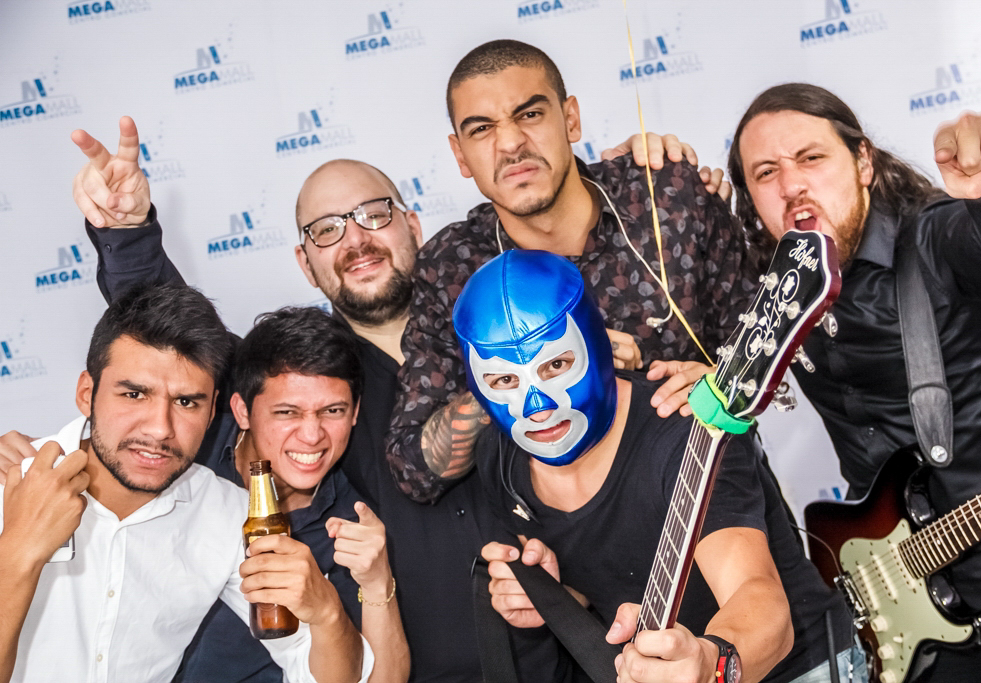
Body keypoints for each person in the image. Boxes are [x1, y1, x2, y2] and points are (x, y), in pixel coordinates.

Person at [0, 113, 727, 681]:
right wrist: (127, 231)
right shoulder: (302, 383)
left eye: (375, 214)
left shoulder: (516, 328)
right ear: (305, 263)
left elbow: (640, 307)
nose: (355, 238)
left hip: (578, 659)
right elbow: (174, 357)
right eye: (326, 229)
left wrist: (629, 184)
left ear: (414, 225)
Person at [453, 250, 863, 683]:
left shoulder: (685, 430)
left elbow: (758, 600)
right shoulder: (500, 458)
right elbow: (598, 579)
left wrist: (709, 663)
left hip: (798, 669)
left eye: (556, 365)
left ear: (597, 344)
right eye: (504, 381)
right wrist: (549, 594)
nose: (537, 406)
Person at [728, 83, 981, 681]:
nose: (791, 185)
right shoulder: (780, 293)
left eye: (811, 157)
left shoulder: (938, 239)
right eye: (766, 172)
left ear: (863, 162)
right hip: (903, 619)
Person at [384, 39, 754, 506]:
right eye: (481, 129)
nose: (511, 143)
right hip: (574, 542)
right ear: (460, 155)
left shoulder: (667, 197)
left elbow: (767, 355)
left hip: (718, 497)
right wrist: (513, 378)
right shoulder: (452, 267)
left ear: (571, 119)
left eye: (530, 114)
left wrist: (718, 385)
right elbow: (413, 470)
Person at [0, 284, 370, 683]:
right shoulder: (10, 481)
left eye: (186, 402)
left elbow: (318, 670)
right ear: (87, 394)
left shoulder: (229, 514)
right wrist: (18, 553)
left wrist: (328, 612)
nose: (160, 428)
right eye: (135, 394)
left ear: (211, 413)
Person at [172, 306, 407, 683]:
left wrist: (377, 580)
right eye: (287, 412)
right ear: (242, 411)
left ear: (354, 412)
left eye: (332, 410)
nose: (312, 435)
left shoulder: (353, 523)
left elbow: (382, 680)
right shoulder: (187, 452)